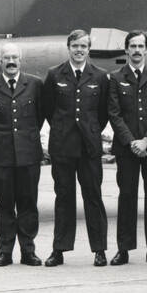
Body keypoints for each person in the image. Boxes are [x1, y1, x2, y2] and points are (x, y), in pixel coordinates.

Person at [42, 29, 111, 266]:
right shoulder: (54, 75)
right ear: (68, 48)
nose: (79, 50)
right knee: (64, 197)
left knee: (93, 197)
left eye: (83, 46)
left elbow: (102, 114)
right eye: (75, 46)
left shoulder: (99, 76)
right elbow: (48, 109)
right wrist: (63, 129)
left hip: (89, 148)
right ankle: (59, 250)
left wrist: (90, 131)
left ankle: (99, 249)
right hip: (63, 147)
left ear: (88, 49)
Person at [0, 43, 44, 266]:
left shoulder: (34, 84)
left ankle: (28, 250)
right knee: (4, 204)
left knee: (28, 203)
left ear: (21, 60)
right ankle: (5, 251)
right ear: (0, 61)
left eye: (15, 57)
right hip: (1, 155)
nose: (11, 61)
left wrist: (25, 138)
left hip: (29, 154)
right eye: (7, 57)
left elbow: (40, 116)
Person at [107, 31, 147, 265]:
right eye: (132, 46)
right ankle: (123, 249)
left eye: (140, 46)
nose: (136, 50)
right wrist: (132, 141)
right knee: (127, 196)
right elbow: (114, 114)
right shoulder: (116, 78)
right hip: (127, 148)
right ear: (126, 49)